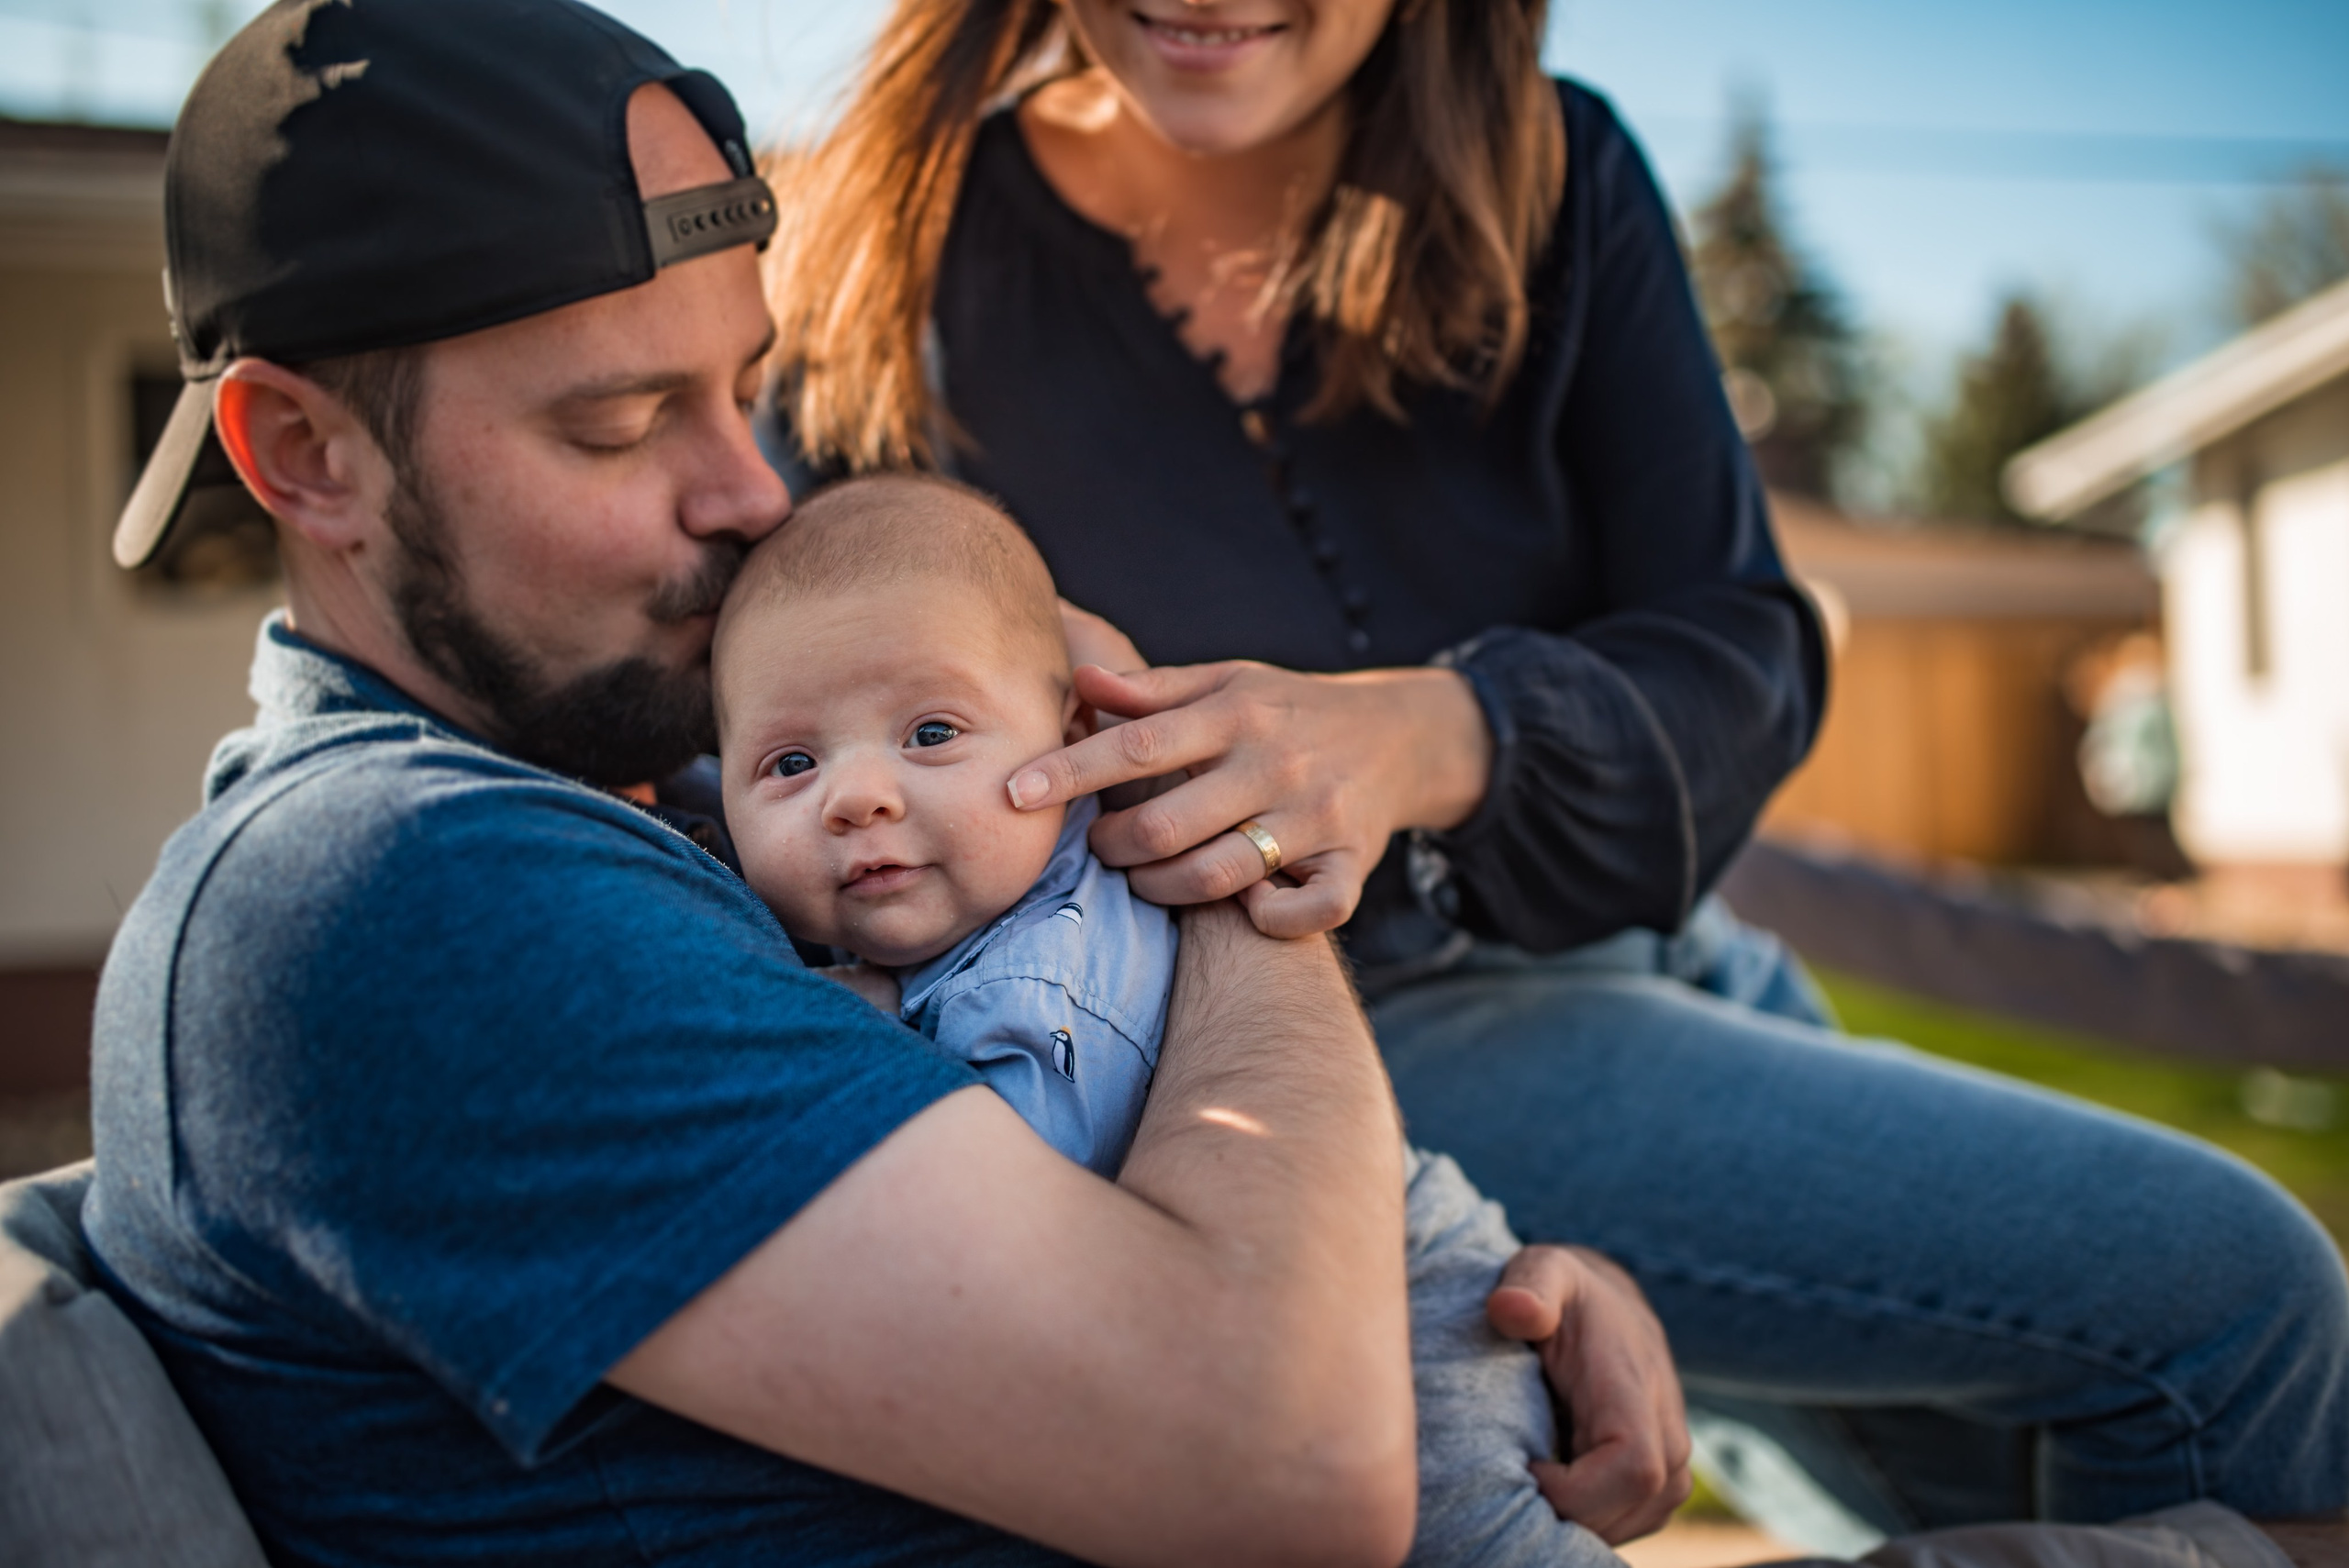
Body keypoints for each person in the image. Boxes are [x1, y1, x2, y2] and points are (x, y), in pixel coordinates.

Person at [764, 0, 2349, 1550]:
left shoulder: (1557, 171)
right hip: (1329, 1043)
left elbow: (1743, 652)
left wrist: (1432, 730)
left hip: (1695, 964)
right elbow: (764, 745)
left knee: (1990, 1483)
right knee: (2235, 1295)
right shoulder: (885, 254)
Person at [77, 2, 1501, 1562]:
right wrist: (1218, 855)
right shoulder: (389, 887)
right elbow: (1294, 1466)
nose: (753, 490)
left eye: (742, 383)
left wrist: (1466, 1319)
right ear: (306, 456)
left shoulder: (655, 793)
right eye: (619, 422)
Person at [712, 471, 1596, 1567]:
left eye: (931, 731)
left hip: (1403, 1311)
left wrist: (870, 1023)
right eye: (790, 763)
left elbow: (1026, 1255)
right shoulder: (1011, 881)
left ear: (1074, 733)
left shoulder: (1035, 973)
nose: (857, 793)